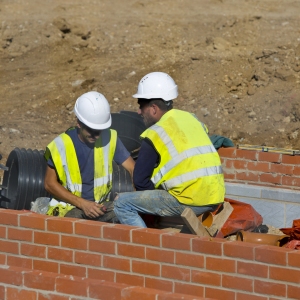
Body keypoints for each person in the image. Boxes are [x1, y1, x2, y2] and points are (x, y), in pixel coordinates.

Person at [114, 72, 225, 227]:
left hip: (190, 199)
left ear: (153, 108)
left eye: (141, 106)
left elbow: (140, 182)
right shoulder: (191, 119)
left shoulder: (155, 133)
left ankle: (146, 248)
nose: (139, 112)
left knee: (122, 204)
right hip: (215, 196)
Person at [44, 91, 135, 222]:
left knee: (128, 210)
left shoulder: (109, 138)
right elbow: (49, 183)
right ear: (79, 123)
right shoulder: (61, 145)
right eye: (91, 130)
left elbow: (133, 168)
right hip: (70, 208)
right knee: (78, 225)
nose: (96, 136)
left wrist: (133, 198)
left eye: (99, 131)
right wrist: (83, 204)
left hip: (99, 206)